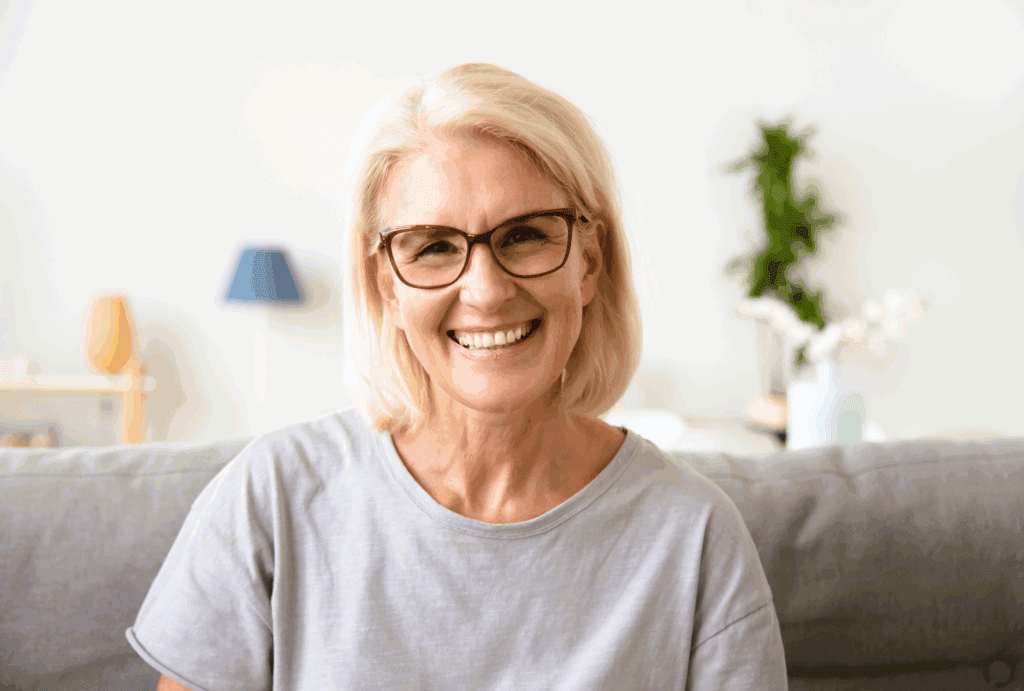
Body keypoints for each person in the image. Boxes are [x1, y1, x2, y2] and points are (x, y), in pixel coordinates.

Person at [127, 63, 787, 690]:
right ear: (387, 281)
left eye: (525, 234)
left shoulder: (695, 537)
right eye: (434, 246)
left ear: (589, 260)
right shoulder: (269, 498)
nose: (487, 290)